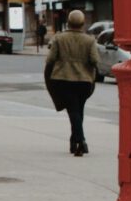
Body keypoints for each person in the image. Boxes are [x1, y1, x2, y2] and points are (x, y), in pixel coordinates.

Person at [44, 9, 102, 156]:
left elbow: (50, 60)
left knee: (73, 111)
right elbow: (95, 60)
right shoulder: (90, 40)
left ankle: (80, 140)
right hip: (84, 81)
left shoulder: (59, 38)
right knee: (78, 110)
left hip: (64, 78)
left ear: (68, 22)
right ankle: (74, 141)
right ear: (83, 23)